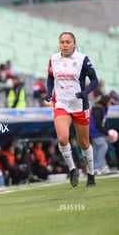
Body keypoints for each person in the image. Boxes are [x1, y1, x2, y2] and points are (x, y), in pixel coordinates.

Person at [45, 31, 99, 187]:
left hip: (79, 105)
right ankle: (72, 169)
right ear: (59, 44)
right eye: (62, 42)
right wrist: (49, 92)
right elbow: (50, 77)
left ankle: (91, 173)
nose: (65, 44)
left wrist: (85, 93)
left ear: (74, 44)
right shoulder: (54, 59)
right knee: (62, 138)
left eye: (68, 42)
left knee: (84, 142)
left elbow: (94, 80)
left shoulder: (82, 59)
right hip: (61, 104)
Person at [89, 95, 113, 175]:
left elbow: (104, 123)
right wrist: (107, 133)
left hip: (98, 131)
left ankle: (99, 167)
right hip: (94, 131)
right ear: (105, 102)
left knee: (96, 149)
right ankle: (97, 167)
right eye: (109, 102)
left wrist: (107, 132)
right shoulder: (97, 109)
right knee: (103, 146)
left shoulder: (104, 109)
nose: (110, 103)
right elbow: (99, 124)